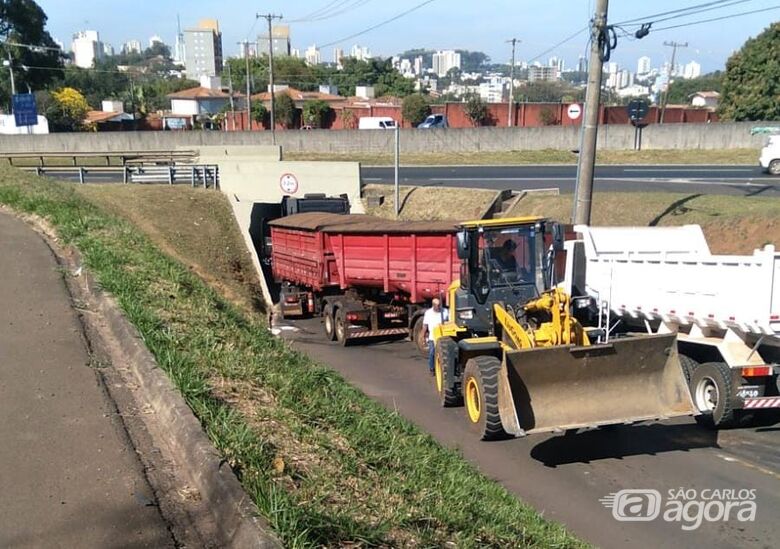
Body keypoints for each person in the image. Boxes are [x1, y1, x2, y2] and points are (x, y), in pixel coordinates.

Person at [423, 298, 449, 375]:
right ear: (433, 305)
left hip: (443, 337)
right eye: (438, 305)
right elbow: (425, 326)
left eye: (440, 305)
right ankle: (432, 368)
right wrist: (423, 337)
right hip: (432, 337)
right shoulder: (428, 313)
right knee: (432, 353)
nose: (439, 307)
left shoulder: (445, 312)